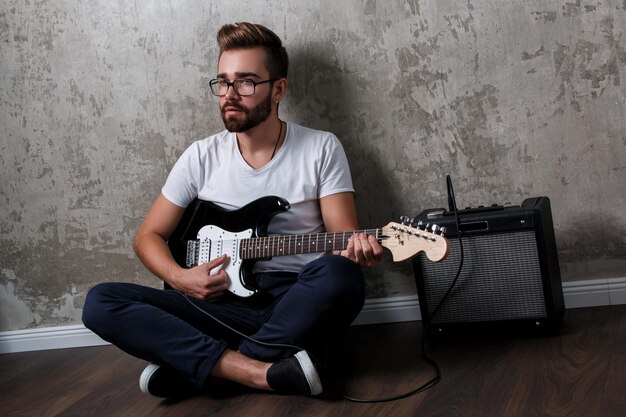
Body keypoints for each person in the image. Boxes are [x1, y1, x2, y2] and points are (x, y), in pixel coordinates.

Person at [82, 22, 383, 399]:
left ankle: (204, 369)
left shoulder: (321, 148)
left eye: (245, 82)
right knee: (100, 302)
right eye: (222, 82)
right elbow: (148, 237)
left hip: (293, 301)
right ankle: (263, 372)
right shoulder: (200, 157)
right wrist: (180, 278)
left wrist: (358, 251)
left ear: (279, 89)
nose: (229, 94)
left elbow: (344, 237)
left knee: (340, 275)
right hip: (220, 305)